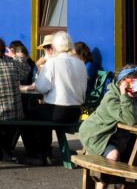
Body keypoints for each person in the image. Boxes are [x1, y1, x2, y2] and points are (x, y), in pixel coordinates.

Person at [78, 65, 137, 189]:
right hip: (97, 135)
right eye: (130, 82)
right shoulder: (111, 97)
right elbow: (130, 120)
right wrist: (125, 95)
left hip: (116, 136)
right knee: (113, 156)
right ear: (121, 82)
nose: (134, 85)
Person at [21, 31, 87, 165]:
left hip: (57, 112)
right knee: (41, 113)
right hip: (75, 112)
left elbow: (41, 87)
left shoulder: (52, 62)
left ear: (55, 46)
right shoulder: (80, 64)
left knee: (26, 115)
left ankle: (38, 155)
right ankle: (46, 153)